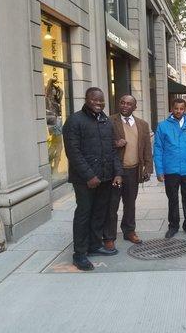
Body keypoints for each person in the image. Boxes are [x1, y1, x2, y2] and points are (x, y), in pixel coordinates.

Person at [62, 87, 123, 271]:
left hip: (105, 178)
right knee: (84, 214)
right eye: (94, 100)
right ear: (86, 99)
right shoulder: (74, 121)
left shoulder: (106, 121)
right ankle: (79, 254)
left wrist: (118, 172)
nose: (98, 103)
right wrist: (89, 176)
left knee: (99, 213)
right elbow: (73, 153)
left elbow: (112, 150)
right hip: (85, 180)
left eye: (101, 101)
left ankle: (94, 245)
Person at [101, 95, 153, 250]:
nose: (125, 106)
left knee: (130, 204)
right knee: (112, 205)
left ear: (134, 107)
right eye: (122, 102)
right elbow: (101, 143)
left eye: (129, 104)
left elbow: (146, 148)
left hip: (133, 170)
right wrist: (115, 144)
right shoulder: (109, 121)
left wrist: (148, 168)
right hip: (115, 172)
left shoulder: (142, 124)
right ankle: (109, 236)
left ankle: (129, 231)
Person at [154, 98, 186, 238]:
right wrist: (159, 170)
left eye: (181, 109)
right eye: (176, 108)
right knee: (172, 199)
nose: (178, 111)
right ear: (172, 109)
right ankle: (173, 226)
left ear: (185, 109)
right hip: (171, 170)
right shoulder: (163, 126)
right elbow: (158, 149)